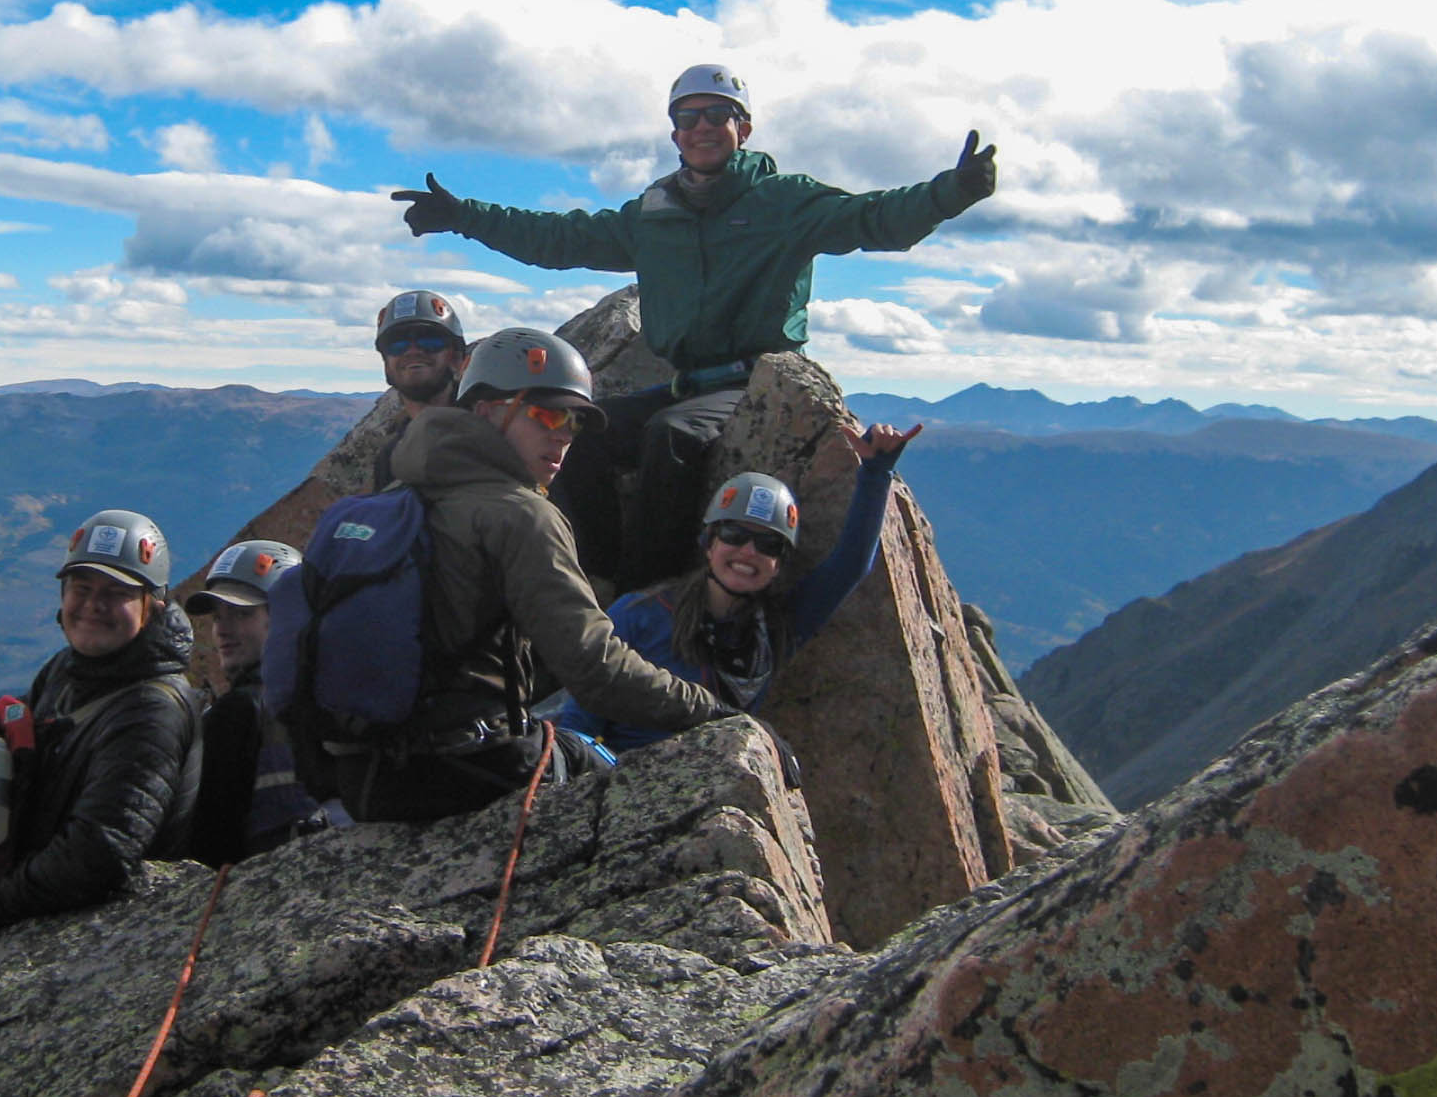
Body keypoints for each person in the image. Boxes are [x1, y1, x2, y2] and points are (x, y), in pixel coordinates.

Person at [393, 65, 993, 589]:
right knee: (583, 429)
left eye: (717, 115)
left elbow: (874, 219)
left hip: (755, 381)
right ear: (675, 133)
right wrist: (464, 216)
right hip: (687, 381)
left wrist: (951, 192)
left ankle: (644, 593)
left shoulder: (785, 202)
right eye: (687, 117)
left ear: (744, 128)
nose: (702, 127)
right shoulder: (656, 214)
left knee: (670, 438)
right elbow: (561, 238)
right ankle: (594, 570)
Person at [336, 326, 725, 821]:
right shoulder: (519, 514)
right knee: (630, 786)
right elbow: (595, 669)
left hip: (363, 777)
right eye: (548, 413)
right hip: (462, 770)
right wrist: (710, 711)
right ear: (487, 411)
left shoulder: (397, 497)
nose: (564, 433)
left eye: (575, 422)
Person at [0, 508, 204, 962]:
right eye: (82, 588)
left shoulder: (151, 711)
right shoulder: (67, 670)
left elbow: (100, 854)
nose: (93, 604)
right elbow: (36, 733)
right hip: (49, 906)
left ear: (151, 607)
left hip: (113, 937)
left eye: (116, 593)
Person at [556, 422, 922, 756]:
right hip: (630, 785)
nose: (749, 551)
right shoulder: (639, 616)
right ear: (709, 543)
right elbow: (576, 725)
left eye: (768, 545)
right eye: (734, 535)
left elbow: (851, 565)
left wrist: (877, 472)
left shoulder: (777, 628)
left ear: (779, 564)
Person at [183, 538, 333, 862]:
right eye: (218, 617)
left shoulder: (237, 712)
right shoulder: (333, 692)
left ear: (285, 616)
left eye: (240, 613)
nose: (222, 630)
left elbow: (209, 842)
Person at [369, 289, 468, 491]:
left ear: (457, 358)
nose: (413, 350)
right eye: (397, 343)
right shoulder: (391, 457)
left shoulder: (491, 431)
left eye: (429, 339)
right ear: (386, 365)